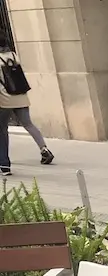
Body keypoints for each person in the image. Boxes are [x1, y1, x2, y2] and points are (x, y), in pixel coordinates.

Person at [0, 41, 52, 176]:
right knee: (28, 124)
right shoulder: (13, 55)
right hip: (21, 96)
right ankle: (44, 149)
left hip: (5, 99)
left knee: (2, 130)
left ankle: (4, 164)